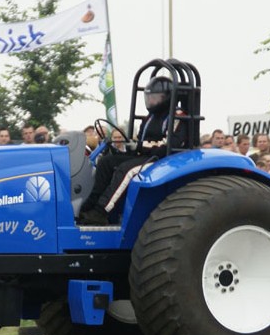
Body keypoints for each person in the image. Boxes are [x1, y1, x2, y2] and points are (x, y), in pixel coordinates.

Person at [79, 75, 188, 225]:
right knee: (106, 162)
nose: (151, 101)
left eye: (155, 97)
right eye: (149, 97)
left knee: (127, 170)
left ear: (167, 97)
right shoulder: (150, 117)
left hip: (163, 159)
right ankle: (90, 204)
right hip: (146, 155)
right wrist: (131, 146)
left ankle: (101, 211)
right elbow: (141, 140)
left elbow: (167, 145)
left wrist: (139, 146)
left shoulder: (177, 117)